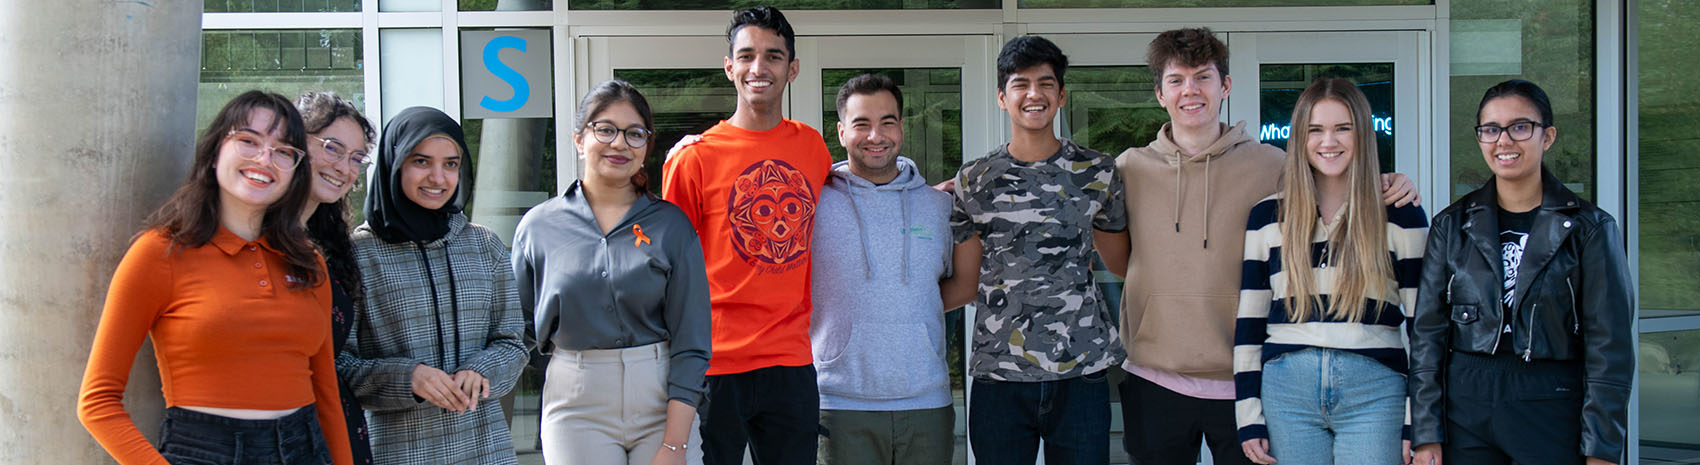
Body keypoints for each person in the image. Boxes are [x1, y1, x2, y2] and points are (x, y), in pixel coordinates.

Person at [1113, 28, 1419, 465]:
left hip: (1246, 379)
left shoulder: (1274, 165)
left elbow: (1338, 173)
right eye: (1177, 80)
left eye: (1203, 77)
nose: (1190, 91)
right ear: (1160, 93)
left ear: (1226, 86)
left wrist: (1390, 181)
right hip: (1155, 374)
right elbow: (1116, 253)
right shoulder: (1128, 168)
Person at [78, 90, 355, 465]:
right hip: (205, 450)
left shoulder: (308, 262)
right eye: (248, 141)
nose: (265, 159)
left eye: (283, 151)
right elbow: (97, 403)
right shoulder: (159, 252)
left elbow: (326, 397)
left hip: (304, 448)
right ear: (214, 153)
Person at [1408, 79, 1633, 465]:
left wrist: (1602, 448)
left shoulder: (1590, 228)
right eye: (1491, 129)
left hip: (1552, 399)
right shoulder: (1452, 225)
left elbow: (1609, 346)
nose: (1504, 141)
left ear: (1547, 136)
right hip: (1466, 402)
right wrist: (1427, 432)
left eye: (1520, 127)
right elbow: (1427, 334)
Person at [660, 6, 834, 464]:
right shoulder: (694, 158)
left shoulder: (812, 146)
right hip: (715, 362)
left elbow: (855, 187)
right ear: (729, 66)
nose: (759, 68)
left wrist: (929, 192)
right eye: (747, 55)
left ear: (792, 69)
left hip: (792, 359)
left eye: (773, 56)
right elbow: (665, 264)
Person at [943, 35, 1129, 465]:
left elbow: (1121, 264)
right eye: (1020, 84)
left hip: (1081, 370)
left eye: (1046, 84)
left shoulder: (1098, 172)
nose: (1033, 94)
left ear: (1061, 96)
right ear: (1001, 97)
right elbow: (967, 284)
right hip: (999, 373)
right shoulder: (975, 179)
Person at [513, 79, 712, 465]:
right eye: (605, 129)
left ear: (646, 147)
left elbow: (692, 339)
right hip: (576, 403)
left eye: (635, 134)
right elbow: (516, 331)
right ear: (578, 139)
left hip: (660, 397)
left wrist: (674, 445)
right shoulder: (539, 227)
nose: (620, 143)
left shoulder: (671, 226)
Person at [1232, 78, 1428, 465]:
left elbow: (1424, 327)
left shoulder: (1401, 213)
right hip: (1287, 393)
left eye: (1343, 128)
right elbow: (1249, 323)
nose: (1329, 142)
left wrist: (1416, 421)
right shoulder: (1267, 217)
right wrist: (1248, 416)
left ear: (1363, 135)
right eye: (1316, 130)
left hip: (1376, 391)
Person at [337, 106, 528, 465]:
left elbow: (513, 344)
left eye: (451, 164)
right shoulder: (357, 255)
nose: (438, 178)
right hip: (398, 452)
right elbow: (337, 364)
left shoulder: (484, 245)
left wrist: (481, 369)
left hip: (486, 448)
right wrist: (407, 377)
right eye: (421, 162)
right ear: (395, 164)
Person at [811, 73, 962, 465]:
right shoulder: (813, 205)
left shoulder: (938, 207)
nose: (875, 135)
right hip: (839, 403)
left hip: (926, 400)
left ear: (902, 128)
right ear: (842, 132)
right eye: (861, 124)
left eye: (887, 122)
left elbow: (959, 285)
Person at [297, 90, 378, 465]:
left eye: (357, 158)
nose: (345, 167)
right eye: (332, 148)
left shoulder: (335, 247)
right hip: (275, 432)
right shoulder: (250, 241)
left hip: (336, 428)